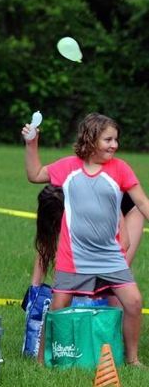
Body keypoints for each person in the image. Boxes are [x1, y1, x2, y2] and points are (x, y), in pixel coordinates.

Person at [23, 112, 149, 366]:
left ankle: (132, 358)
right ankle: (41, 360)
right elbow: (35, 174)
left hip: (110, 256)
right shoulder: (67, 167)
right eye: (108, 140)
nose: (114, 145)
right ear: (90, 139)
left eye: (116, 139)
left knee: (134, 302)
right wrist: (32, 143)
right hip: (75, 257)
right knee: (58, 308)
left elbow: (142, 202)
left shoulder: (121, 169)